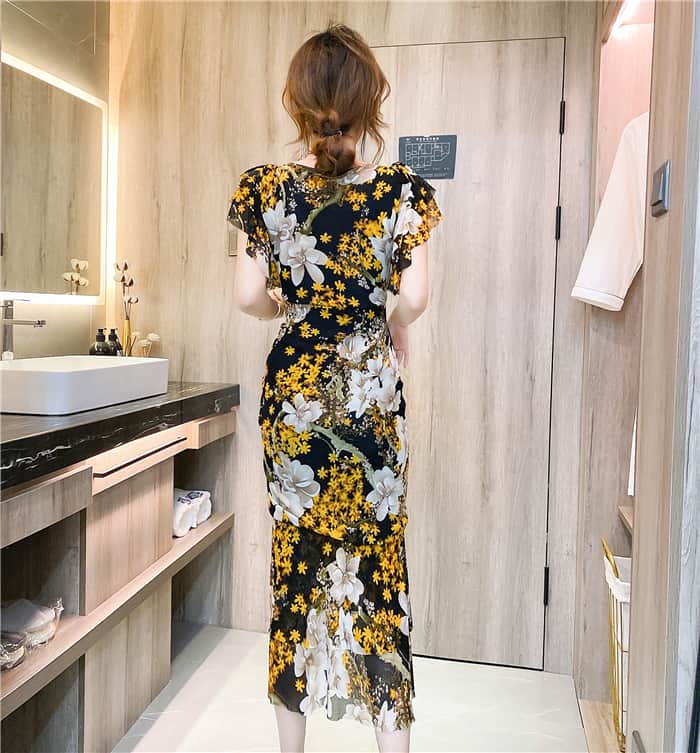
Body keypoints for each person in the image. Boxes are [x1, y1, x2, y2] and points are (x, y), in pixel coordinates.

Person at [228, 22, 443, 753]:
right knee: (379, 576)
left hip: (293, 408)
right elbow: (415, 298)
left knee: (296, 574)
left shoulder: (263, 189)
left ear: (297, 103)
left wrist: (290, 306)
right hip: (370, 404)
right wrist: (384, 316)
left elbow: (247, 296)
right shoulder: (402, 191)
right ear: (368, 100)